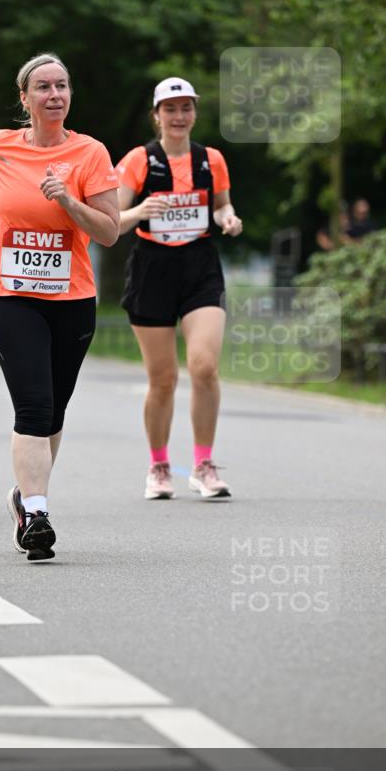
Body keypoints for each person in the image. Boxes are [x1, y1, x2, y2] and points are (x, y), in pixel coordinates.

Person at [0, 52, 119, 561]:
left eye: (63, 86)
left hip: (72, 298)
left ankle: (23, 496)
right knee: (32, 406)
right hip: (12, 294)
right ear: (25, 98)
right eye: (44, 87)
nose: (55, 95)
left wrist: (69, 203)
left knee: (54, 412)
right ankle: (36, 513)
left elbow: (110, 232)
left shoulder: (91, 153)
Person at [116, 77, 242, 500]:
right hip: (152, 268)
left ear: (195, 113)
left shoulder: (212, 159)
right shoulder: (139, 160)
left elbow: (222, 203)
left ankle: (204, 465)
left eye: (186, 108)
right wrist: (141, 209)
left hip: (200, 266)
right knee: (163, 379)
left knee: (204, 367)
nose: (179, 116)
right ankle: (159, 466)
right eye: (170, 109)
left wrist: (227, 218)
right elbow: (111, 220)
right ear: (157, 115)